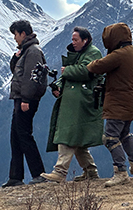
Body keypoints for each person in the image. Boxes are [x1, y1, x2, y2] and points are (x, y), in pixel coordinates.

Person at [41, 27, 104, 183]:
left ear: (85, 40)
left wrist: (67, 70)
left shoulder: (93, 53)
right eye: (72, 39)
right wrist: (59, 86)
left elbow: (86, 71)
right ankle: (91, 172)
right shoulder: (81, 53)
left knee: (68, 134)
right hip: (76, 102)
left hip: (83, 102)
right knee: (78, 138)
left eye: (76, 39)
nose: (73, 42)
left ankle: (60, 172)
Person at [86, 22, 133, 187]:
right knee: (125, 133)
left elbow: (98, 66)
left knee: (110, 137)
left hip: (118, 101)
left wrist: (88, 66)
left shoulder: (119, 54)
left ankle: (120, 172)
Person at [2, 20, 48, 187]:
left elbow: (31, 77)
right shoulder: (26, 51)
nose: (14, 38)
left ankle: (39, 174)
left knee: (24, 135)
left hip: (25, 100)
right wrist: (15, 59)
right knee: (16, 137)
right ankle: (15, 177)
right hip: (20, 99)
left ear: (23, 33)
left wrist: (26, 99)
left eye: (15, 34)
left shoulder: (33, 52)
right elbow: (17, 72)